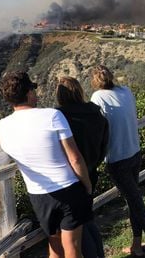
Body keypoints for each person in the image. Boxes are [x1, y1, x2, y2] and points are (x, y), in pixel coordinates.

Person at [0, 71, 92, 258]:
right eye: (33, 89)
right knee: (72, 248)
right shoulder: (52, 116)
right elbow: (75, 158)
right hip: (68, 188)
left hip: (38, 194)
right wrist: (87, 186)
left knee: (55, 247)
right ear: (29, 93)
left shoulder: (3, 125)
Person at [90, 65, 145, 256]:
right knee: (133, 201)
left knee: (136, 202)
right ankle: (137, 244)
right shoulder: (126, 91)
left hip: (117, 158)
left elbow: (98, 127)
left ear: (95, 82)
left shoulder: (97, 98)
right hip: (134, 152)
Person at [56, 77, 109, 258]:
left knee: (78, 228)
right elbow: (104, 146)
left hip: (70, 179)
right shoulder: (97, 114)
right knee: (87, 219)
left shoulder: (59, 119)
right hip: (91, 173)